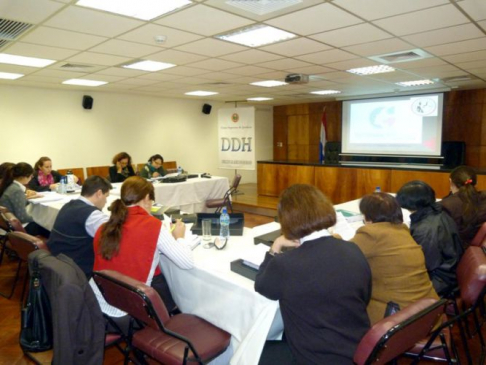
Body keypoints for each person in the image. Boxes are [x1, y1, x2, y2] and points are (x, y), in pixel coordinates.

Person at [255, 184, 371, 365]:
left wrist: (276, 246)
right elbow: (365, 296)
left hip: (312, 357)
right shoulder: (353, 249)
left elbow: (262, 286)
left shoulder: (286, 263)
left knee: (250, 350)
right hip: (358, 350)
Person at [90, 176, 194, 321]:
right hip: (126, 310)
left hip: (97, 301)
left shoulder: (105, 226)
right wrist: (180, 237)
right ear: (146, 198)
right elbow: (187, 262)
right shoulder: (152, 225)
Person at [350, 192, 439, 325]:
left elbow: (343, 252)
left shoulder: (371, 234)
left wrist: (334, 237)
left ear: (368, 217)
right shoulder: (402, 230)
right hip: (428, 312)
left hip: (398, 319)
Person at [396, 181, 463, 297]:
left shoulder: (425, 230)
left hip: (441, 280)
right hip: (449, 272)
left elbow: (422, 265)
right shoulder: (438, 212)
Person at [47, 176, 112, 278]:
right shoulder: (92, 215)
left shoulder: (68, 205)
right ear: (99, 193)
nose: (106, 201)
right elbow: (115, 236)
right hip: (79, 269)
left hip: (58, 261)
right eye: (106, 196)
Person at [0, 162, 50, 237]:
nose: (31, 178)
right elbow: (22, 218)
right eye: (31, 176)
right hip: (18, 228)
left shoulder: (11, 186)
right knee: (48, 227)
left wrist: (26, 199)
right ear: (25, 177)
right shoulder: (17, 190)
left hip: (7, 226)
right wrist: (38, 219)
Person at [440, 165, 486, 246]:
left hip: (454, 251)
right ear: (476, 183)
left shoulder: (445, 205)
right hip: (476, 250)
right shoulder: (483, 199)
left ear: (450, 182)